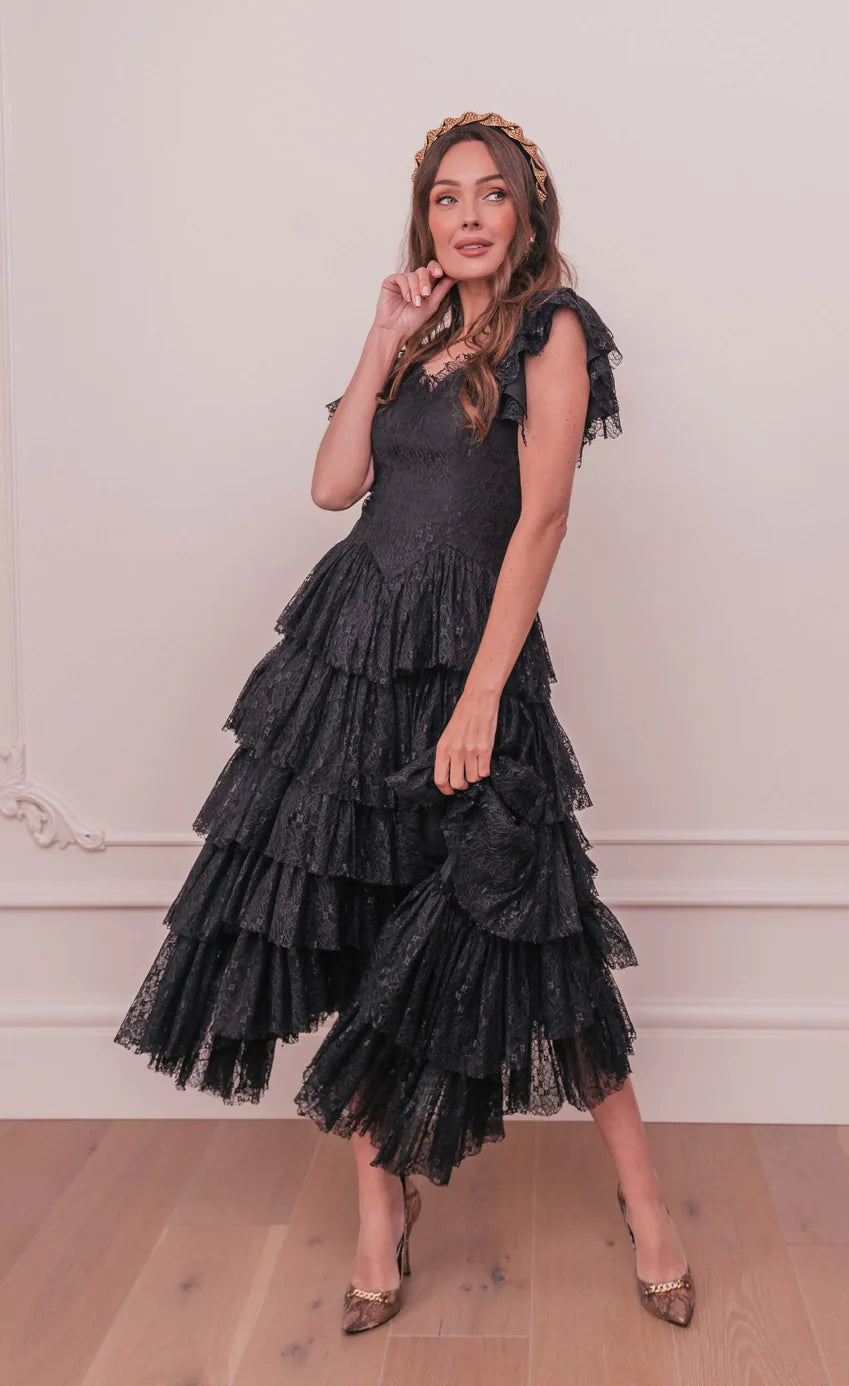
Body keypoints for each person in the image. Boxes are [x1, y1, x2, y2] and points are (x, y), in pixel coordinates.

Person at [113, 110, 695, 1333]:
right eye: (445, 196)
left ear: (527, 213)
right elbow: (334, 487)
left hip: (469, 662)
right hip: (352, 657)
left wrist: (482, 694)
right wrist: (379, 338)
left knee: (538, 927)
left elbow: (543, 519)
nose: (468, 215)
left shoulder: (553, 328)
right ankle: (380, 1213)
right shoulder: (420, 339)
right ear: (424, 218)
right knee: (360, 922)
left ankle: (648, 1205)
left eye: (491, 194)